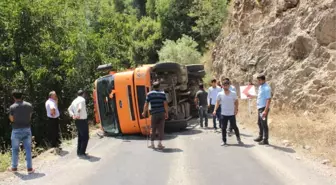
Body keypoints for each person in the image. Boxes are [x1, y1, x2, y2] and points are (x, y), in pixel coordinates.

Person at [8, 90, 34, 173]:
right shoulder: (29, 105)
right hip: (27, 129)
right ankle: (29, 168)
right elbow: (30, 117)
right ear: (22, 96)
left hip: (16, 130)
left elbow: (12, 119)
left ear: (14, 97)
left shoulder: (12, 107)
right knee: (28, 149)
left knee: (15, 149)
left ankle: (14, 168)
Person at [213, 80, 242, 146]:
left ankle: (238, 138)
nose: (226, 86)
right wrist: (215, 110)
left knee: (234, 126)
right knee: (223, 127)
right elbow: (217, 103)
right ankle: (224, 141)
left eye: (227, 85)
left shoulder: (233, 93)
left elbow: (236, 102)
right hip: (224, 113)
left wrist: (236, 109)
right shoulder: (220, 94)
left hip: (231, 113)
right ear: (222, 86)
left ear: (229, 85)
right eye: (224, 85)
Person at [142, 81, 168, 150]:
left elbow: (146, 104)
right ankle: (159, 144)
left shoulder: (149, 94)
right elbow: (165, 104)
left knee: (153, 129)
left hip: (154, 114)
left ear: (153, 87)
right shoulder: (162, 94)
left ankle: (152, 144)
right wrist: (166, 113)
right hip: (161, 113)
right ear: (159, 86)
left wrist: (144, 112)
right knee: (161, 129)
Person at [248, 74, 272, 145]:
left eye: (260, 80)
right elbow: (259, 96)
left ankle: (265, 139)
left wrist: (265, 110)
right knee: (259, 123)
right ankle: (260, 136)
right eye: (258, 80)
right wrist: (252, 96)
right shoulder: (261, 87)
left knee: (264, 124)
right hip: (260, 108)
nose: (258, 81)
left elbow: (268, 99)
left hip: (263, 108)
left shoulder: (266, 88)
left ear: (264, 80)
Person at [68, 90, 90, 158]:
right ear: (83, 94)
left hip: (77, 121)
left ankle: (79, 151)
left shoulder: (74, 100)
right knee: (85, 137)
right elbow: (80, 108)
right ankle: (82, 152)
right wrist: (77, 114)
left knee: (80, 136)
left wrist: (73, 115)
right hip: (82, 120)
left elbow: (69, 109)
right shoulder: (82, 100)